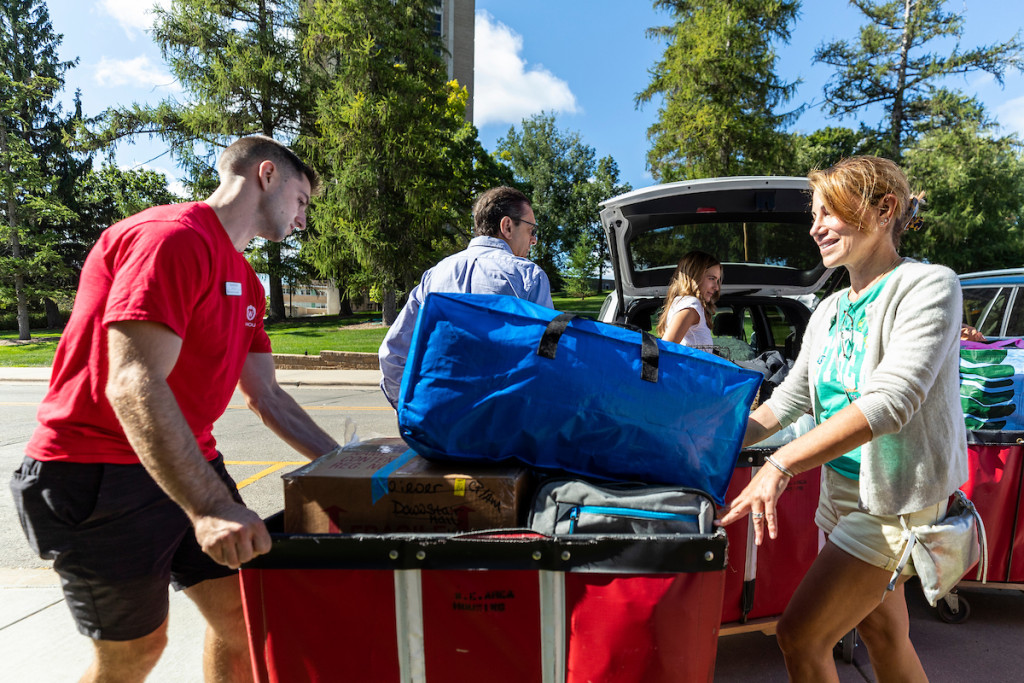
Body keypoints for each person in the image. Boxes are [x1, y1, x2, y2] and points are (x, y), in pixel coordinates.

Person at [10, 136, 343, 683]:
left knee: (249, 620)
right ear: (266, 175)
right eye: (302, 200)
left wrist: (348, 462)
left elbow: (267, 398)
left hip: (188, 463)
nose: (304, 219)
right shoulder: (172, 239)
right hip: (97, 471)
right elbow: (132, 380)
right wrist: (210, 507)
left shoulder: (247, 284)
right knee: (136, 653)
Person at [719, 156, 967, 682]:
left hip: (895, 504)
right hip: (842, 498)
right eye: (814, 215)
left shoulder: (928, 287)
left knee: (800, 637)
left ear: (884, 210)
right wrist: (710, 440)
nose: (815, 228)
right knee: (883, 634)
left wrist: (780, 464)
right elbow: (790, 399)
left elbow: (892, 401)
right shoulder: (829, 310)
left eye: (829, 212)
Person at [378, 185, 553, 407]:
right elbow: (550, 353)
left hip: (440, 425)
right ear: (507, 226)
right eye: (532, 230)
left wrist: (408, 410)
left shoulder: (433, 275)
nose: (534, 239)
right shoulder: (529, 276)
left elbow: (392, 355)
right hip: (505, 426)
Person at [655, 250, 721, 347]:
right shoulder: (691, 305)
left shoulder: (683, 302)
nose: (716, 287)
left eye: (717, 280)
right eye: (711, 278)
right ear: (695, 275)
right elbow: (666, 349)